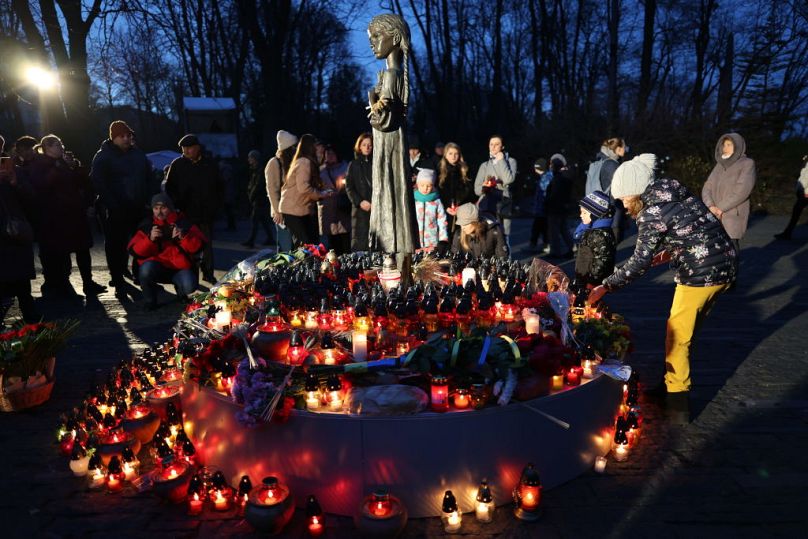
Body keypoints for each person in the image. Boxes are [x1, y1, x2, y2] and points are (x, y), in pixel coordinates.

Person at [588, 154, 737, 424]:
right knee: (687, 333)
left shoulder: (651, 212)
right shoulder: (673, 192)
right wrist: (666, 254)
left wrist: (605, 286)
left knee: (677, 337)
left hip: (699, 275)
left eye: (624, 198)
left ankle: (678, 406)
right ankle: (669, 384)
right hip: (724, 266)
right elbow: (692, 231)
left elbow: (638, 262)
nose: (623, 205)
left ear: (635, 192)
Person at [367, 13, 421, 272]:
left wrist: (372, 99)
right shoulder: (394, 74)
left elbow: (383, 119)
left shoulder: (391, 74)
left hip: (388, 149)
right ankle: (399, 261)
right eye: (371, 38)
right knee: (395, 193)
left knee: (389, 191)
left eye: (377, 36)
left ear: (396, 38)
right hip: (391, 147)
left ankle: (394, 260)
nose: (372, 43)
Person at [28, 135, 106, 297]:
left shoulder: (65, 163)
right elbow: (42, 186)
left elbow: (81, 183)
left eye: (61, 144)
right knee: (62, 252)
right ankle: (63, 284)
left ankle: (88, 282)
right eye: (57, 145)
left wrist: (74, 168)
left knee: (83, 249)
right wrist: (57, 169)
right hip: (56, 216)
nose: (61, 147)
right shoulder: (40, 164)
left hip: (75, 213)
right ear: (47, 148)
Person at [90, 120, 153, 294]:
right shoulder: (103, 156)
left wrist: (149, 200)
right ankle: (118, 280)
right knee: (115, 245)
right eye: (122, 136)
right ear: (113, 138)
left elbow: (149, 177)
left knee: (141, 242)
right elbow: (98, 183)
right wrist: (112, 205)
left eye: (128, 135)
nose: (126, 139)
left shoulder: (138, 154)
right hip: (114, 209)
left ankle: (141, 275)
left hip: (138, 206)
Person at [128, 194, 206, 310]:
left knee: (189, 286)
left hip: (180, 269)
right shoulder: (147, 225)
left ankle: (181, 292)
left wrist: (184, 237)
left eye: (163, 208)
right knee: (145, 269)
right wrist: (149, 239)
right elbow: (134, 250)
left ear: (170, 208)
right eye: (156, 208)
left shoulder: (184, 223)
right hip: (157, 267)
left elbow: (199, 246)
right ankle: (150, 300)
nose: (159, 212)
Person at [164, 134, 222, 283]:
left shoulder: (209, 164)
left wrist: (215, 206)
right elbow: (169, 187)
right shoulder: (177, 164)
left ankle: (208, 272)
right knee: (188, 245)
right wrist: (177, 204)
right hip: (186, 213)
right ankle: (191, 276)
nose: (185, 151)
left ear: (197, 148)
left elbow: (219, 186)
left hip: (206, 213)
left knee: (206, 245)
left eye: (188, 148)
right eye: (184, 148)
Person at [0, 134, 41, 324]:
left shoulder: (14, 170)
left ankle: (29, 314)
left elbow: (32, 199)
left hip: (16, 231)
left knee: (21, 278)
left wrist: (15, 182)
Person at [702, 133, 756, 257]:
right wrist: (710, 206)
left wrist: (720, 208)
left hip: (732, 213)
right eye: (724, 145)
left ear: (738, 146)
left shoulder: (747, 163)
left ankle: (733, 269)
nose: (725, 148)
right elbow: (707, 187)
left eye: (729, 145)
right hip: (714, 213)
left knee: (731, 247)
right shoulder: (719, 165)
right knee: (715, 248)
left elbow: (742, 190)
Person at [280, 134, 334, 247]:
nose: (318, 148)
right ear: (310, 146)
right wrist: (321, 194)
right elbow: (304, 188)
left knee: (304, 244)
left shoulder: (304, 161)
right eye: (315, 145)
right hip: (293, 209)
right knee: (306, 244)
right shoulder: (304, 162)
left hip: (299, 209)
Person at [474, 134, 517, 242]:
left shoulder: (511, 162)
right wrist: (484, 187)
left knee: (504, 238)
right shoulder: (484, 165)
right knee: (487, 238)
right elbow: (477, 189)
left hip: (503, 204)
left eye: (497, 144)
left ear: (502, 147)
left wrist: (501, 160)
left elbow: (508, 179)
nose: (493, 147)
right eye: (491, 144)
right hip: (487, 205)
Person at [585, 137, 628, 241]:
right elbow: (620, 187)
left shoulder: (601, 161)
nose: (626, 149)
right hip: (613, 208)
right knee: (613, 239)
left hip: (600, 205)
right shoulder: (612, 164)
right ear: (618, 149)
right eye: (624, 147)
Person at [572, 190, 616, 292]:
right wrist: (585, 225)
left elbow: (602, 261)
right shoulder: (592, 229)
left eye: (584, 213)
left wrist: (592, 282)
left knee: (591, 302)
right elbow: (576, 235)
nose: (581, 215)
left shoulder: (599, 235)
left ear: (594, 215)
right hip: (584, 278)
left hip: (591, 283)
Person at [264, 130, 298, 253]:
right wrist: (277, 211)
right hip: (281, 212)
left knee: (293, 247)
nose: (296, 149)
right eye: (293, 146)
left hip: (292, 210)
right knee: (285, 247)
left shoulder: (290, 163)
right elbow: (271, 189)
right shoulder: (274, 162)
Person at [437, 142, 475, 240]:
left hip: (462, 208)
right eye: (450, 153)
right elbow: (439, 191)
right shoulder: (440, 170)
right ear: (445, 154)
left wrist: (460, 205)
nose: (453, 156)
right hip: (444, 209)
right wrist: (446, 206)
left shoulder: (465, 169)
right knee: (447, 235)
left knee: (462, 236)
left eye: (456, 154)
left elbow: (469, 190)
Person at [318, 146, 351, 254]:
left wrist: (343, 187)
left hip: (342, 206)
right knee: (332, 240)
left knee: (345, 237)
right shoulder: (321, 171)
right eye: (327, 154)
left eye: (332, 154)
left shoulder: (345, 168)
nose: (330, 156)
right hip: (328, 208)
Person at [345, 132, 373, 251]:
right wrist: (359, 202)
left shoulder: (377, 164)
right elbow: (349, 187)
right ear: (359, 146)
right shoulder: (354, 165)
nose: (367, 147)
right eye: (364, 145)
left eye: (370, 145)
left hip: (376, 207)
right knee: (360, 242)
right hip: (360, 209)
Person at [544, 154, 574, 259]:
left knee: (554, 231)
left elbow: (553, 195)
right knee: (564, 229)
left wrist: (547, 203)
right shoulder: (566, 177)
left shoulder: (557, 179)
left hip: (555, 208)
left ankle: (556, 251)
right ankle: (571, 248)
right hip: (563, 207)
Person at [242, 150, 274, 248]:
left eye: (250, 158)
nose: (249, 160)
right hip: (258, 198)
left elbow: (258, 185)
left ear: (254, 159)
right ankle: (270, 238)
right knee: (262, 220)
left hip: (259, 198)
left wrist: (252, 195)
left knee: (255, 218)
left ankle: (251, 240)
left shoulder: (259, 169)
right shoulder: (255, 169)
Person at [413, 169, 448, 252]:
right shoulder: (413, 200)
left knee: (431, 259)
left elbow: (442, 220)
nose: (425, 188)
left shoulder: (436, 201)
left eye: (428, 186)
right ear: (417, 185)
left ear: (433, 186)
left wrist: (443, 238)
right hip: (416, 240)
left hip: (432, 240)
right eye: (422, 185)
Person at [774, 155, 808, 240]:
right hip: (803, 191)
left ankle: (787, 233)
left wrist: (805, 191)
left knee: (796, 212)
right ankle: (787, 233)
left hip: (806, 192)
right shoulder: (806, 161)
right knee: (796, 212)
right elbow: (803, 176)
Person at [529, 158, 551, 252]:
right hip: (542, 208)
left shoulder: (545, 178)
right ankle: (544, 244)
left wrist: (539, 207)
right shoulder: (545, 177)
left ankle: (537, 244)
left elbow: (542, 195)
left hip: (543, 208)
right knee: (541, 227)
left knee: (539, 227)